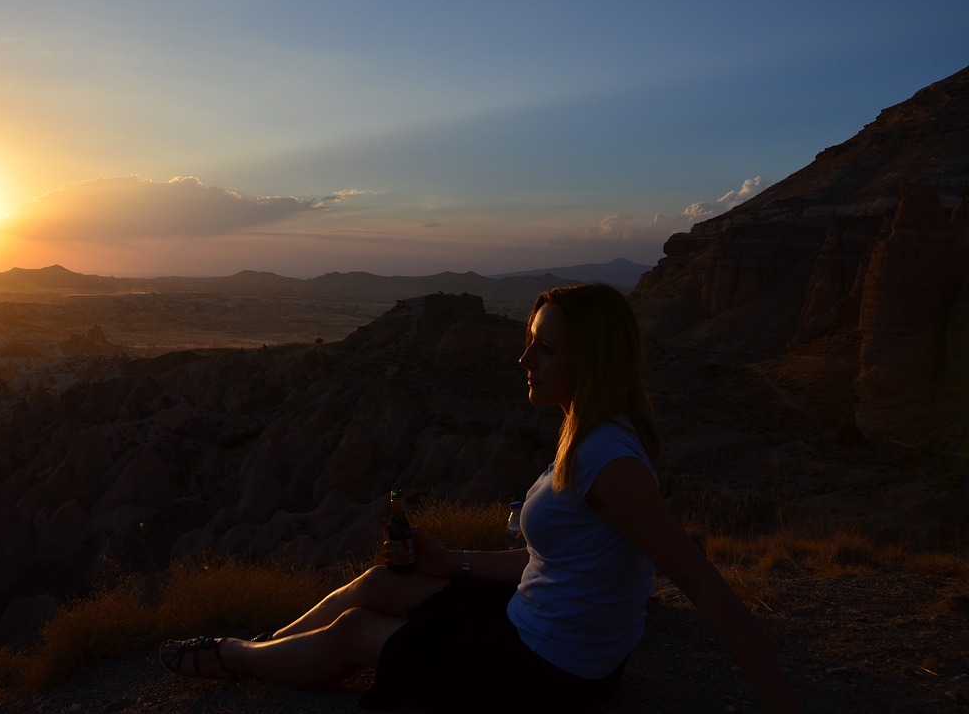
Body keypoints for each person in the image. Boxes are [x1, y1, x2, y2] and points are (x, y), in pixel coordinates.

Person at [159, 283, 803, 713]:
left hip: (550, 674)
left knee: (358, 629)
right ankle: (273, 646)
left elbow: (703, 583)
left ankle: (233, 657)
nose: (525, 358)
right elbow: (554, 562)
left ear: (593, 361)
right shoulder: (594, 432)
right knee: (381, 583)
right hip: (534, 626)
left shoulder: (609, 460)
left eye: (544, 347)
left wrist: (783, 703)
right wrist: (451, 561)